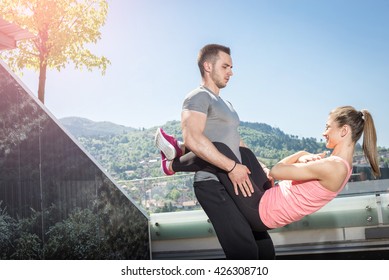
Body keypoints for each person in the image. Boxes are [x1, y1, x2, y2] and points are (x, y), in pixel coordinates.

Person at [156, 106, 380, 232]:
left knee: (220, 150)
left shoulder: (333, 167)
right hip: (267, 197)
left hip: (262, 211)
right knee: (244, 154)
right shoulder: (338, 166)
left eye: (327, 127)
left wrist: (301, 155)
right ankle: (180, 148)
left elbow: (277, 170)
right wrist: (307, 163)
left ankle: (171, 164)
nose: (323, 132)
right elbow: (283, 178)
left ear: (344, 131)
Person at [155, 44, 275, 259]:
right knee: (245, 252)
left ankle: (173, 158)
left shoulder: (226, 103)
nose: (231, 72)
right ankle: (172, 163)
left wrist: (261, 168)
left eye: (231, 67)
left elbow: (236, 141)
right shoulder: (197, 97)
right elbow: (193, 138)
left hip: (238, 180)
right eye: (225, 66)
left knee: (265, 249)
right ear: (208, 66)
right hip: (212, 183)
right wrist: (230, 166)